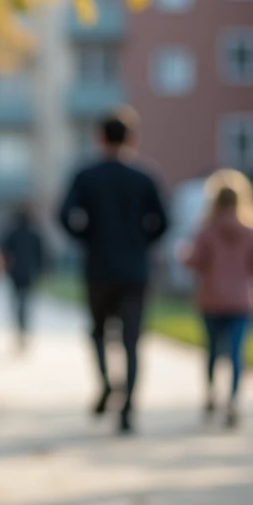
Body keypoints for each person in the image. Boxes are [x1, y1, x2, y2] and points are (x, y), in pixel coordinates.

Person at [58, 106, 169, 434]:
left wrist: (86, 237)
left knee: (97, 333)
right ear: (133, 138)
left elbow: (64, 215)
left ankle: (108, 383)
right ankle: (129, 408)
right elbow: (163, 221)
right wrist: (142, 242)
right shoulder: (145, 176)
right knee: (132, 341)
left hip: (99, 268)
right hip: (135, 270)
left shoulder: (86, 175)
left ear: (99, 138)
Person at [181, 170, 253, 429]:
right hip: (241, 300)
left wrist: (184, 254)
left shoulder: (206, 229)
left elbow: (195, 261)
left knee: (212, 350)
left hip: (211, 299)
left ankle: (211, 393)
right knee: (236, 352)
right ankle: (232, 400)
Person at [1, 205, 45, 351]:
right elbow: (41, 255)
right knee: (25, 303)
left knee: (18, 303)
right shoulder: (34, 233)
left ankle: (20, 329)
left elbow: (5, 251)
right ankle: (23, 328)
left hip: (16, 272)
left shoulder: (13, 232)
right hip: (28, 273)